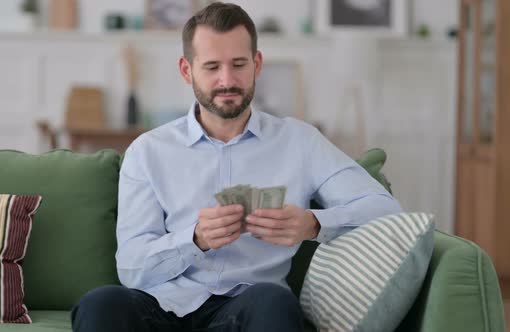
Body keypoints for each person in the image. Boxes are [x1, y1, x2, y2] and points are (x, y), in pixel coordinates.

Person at [71, 2, 402, 331]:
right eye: (212, 67)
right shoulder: (148, 151)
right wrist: (195, 239)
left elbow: (385, 209)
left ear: (257, 64)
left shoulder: (300, 141)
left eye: (238, 64)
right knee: (100, 304)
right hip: (161, 307)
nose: (227, 80)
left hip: (248, 308)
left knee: (275, 302)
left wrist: (313, 223)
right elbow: (131, 267)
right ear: (187, 70)